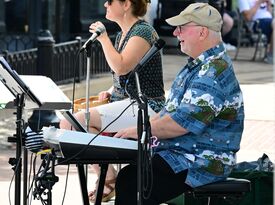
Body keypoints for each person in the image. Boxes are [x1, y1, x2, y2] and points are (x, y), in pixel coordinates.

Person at [113, 3, 244, 205]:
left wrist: (141, 130)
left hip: (202, 162)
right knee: (132, 177)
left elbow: (180, 123)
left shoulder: (213, 72)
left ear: (202, 32)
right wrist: (137, 130)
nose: (175, 32)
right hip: (185, 154)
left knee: (133, 182)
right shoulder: (198, 65)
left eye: (182, 27)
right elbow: (169, 112)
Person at [59, 0, 165, 202]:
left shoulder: (142, 32)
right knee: (71, 122)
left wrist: (103, 38)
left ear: (126, 5)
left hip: (147, 106)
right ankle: (108, 177)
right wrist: (110, 91)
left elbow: (122, 67)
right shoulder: (123, 35)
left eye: (110, 1)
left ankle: (108, 179)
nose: (105, 4)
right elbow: (125, 77)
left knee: (73, 123)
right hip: (128, 103)